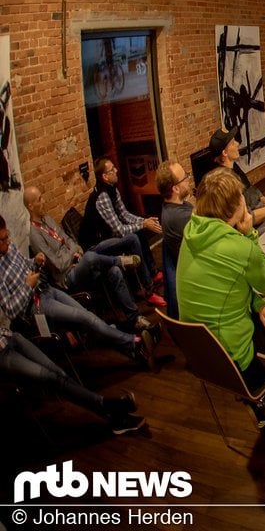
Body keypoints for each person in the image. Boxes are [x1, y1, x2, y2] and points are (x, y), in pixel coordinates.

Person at [178, 168, 265, 389]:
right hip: (237, 361)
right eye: (242, 197)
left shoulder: (192, 232)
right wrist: (249, 234)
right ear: (234, 208)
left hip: (202, 356)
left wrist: (259, 303)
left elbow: (228, 282)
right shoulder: (239, 246)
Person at [0, 215, 157, 369]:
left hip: (47, 289)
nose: (8, 241)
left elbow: (63, 241)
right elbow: (12, 311)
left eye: (7, 236)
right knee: (87, 318)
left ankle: (136, 350)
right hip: (36, 305)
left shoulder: (18, 242)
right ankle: (134, 341)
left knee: (91, 318)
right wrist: (28, 286)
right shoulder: (33, 235)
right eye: (3, 239)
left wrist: (34, 261)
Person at [24, 186, 150, 333]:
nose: (44, 201)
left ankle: (134, 318)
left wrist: (76, 250)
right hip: (66, 276)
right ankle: (119, 260)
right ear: (30, 206)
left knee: (113, 271)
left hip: (79, 263)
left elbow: (69, 240)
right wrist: (73, 255)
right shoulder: (34, 234)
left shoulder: (48, 220)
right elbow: (57, 265)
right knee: (91, 257)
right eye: (39, 199)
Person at [0, 330, 145, 435]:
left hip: (10, 336)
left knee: (59, 373)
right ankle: (107, 405)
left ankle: (113, 415)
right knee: (51, 377)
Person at [77, 157, 164, 307]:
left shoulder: (112, 189)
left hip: (107, 237)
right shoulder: (102, 197)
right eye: (112, 169)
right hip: (94, 246)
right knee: (132, 238)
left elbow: (124, 215)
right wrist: (143, 224)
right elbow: (119, 231)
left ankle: (153, 272)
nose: (116, 170)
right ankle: (148, 291)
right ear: (105, 176)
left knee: (140, 228)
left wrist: (145, 221)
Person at [210, 127, 265, 233]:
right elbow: (249, 218)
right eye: (233, 143)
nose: (237, 143)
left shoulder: (234, 167)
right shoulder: (225, 183)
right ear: (224, 153)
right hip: (256, 229)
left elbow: (257, 195)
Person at [156, 160, 194, 320]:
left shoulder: (175, 207)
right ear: (175, 188)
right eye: (185, 177)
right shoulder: (180, 217)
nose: (188, 178)